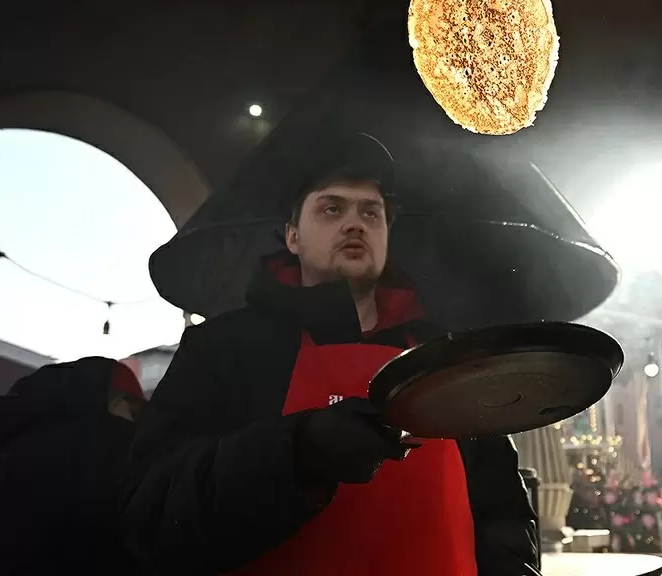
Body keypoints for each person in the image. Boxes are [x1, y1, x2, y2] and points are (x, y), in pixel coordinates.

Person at [122, 131, 540, 575]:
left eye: (371, 213)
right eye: (332, 209)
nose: (355, 224)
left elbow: (501, 512)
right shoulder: (224, 347)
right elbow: (151, 512)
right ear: (292, 236)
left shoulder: (448, 357)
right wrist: (296, 452)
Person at [0, 357, 146, 575]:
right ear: (108, 402)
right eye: (134, 413)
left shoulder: (5, 449)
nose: (140, 428)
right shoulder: (101, 450)